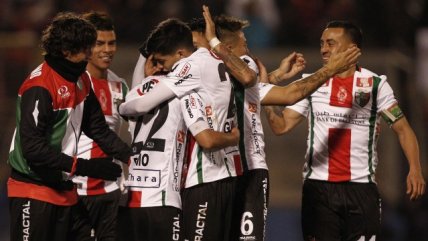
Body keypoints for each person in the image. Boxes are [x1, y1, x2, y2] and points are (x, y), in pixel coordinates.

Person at [199, 7, 361, 241]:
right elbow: (288, 95)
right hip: (237, 172)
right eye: (244, 45)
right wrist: (331, 69)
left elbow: (245, 92)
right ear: (229, 50)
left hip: (231, 173)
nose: (248, 52)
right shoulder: (239, 65)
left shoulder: (215, 76)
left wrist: (274, 77)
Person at [264, 20, 426, 241]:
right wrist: (267, 91)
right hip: (318, 190)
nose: (323, 49)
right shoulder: (311, 85)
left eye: (331, 43)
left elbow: (403, 129)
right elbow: (280, 126)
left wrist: (415, 168)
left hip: (361, 189)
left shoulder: (375, 85)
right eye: (322, 43)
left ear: (352, 49)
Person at [6, 12, 132, 241]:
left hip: (64, 190)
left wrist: (130, 155)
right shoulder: (40, 86)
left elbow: (98, 129)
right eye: (85, 48)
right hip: (33, 189)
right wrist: (88, 167)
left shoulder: (81, 79)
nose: (89, 53)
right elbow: (34, 150)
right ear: (66, 51)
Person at [119, 70, 239, 240]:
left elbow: (136, 100)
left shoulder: (134, 94)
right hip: (163, 201)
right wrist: (233, 138)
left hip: (129, 199)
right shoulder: (184, 90)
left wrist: (121, 107)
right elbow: (207, 139)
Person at [70, 11, 129, 241]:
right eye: (99, 43)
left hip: (111, 189)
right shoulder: (72, 83)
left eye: (112, 43)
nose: (107, 49)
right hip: (77, 188)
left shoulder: (120, 85)